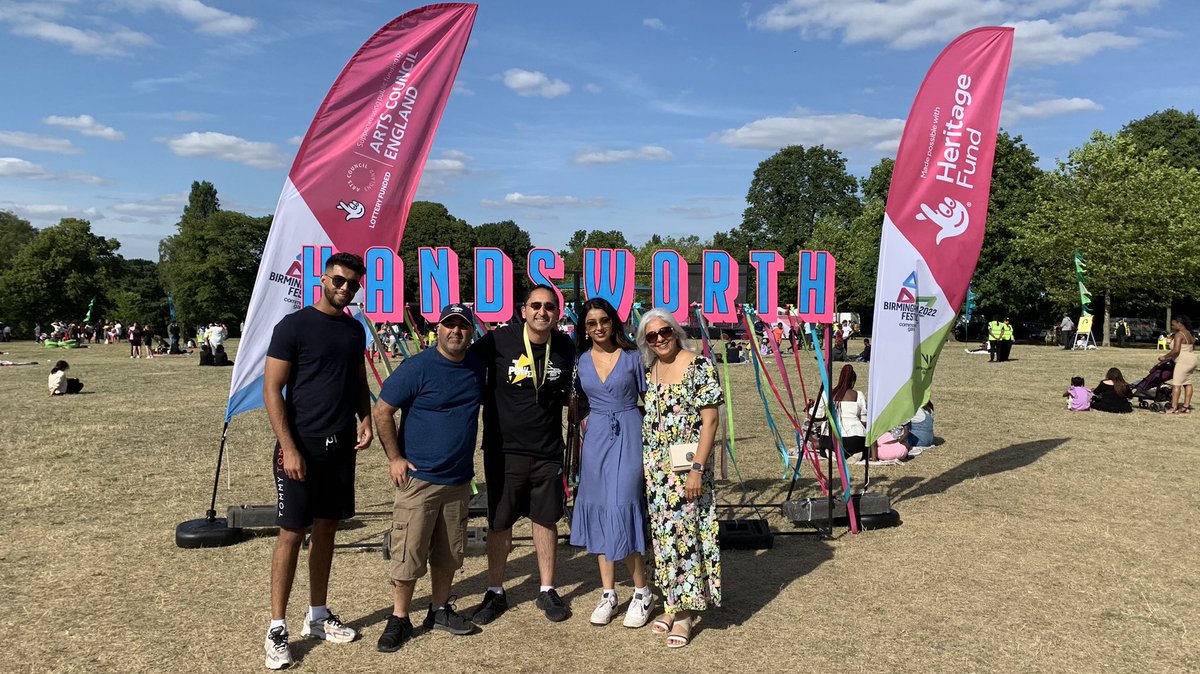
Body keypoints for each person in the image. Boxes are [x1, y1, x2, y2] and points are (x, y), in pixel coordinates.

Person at [260, 252, 374, 670]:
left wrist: (365, 418)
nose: (345, 289)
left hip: (340, 446)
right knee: (292, 533)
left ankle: (318, 615)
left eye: (352, 285)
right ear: (323, 279)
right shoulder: (294, 326)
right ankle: (276, 628)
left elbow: (358, 379)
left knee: (327, 529)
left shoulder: (352, 329)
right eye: (339, 281)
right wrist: (288, 447)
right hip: (301, 448)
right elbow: (273, 390)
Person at [371, 303, 484, 652]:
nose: (456, 332)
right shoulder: (417, 367)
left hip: (458, 480)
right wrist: (395, 458)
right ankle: (400, 617)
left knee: (450, 553)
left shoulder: (476, 366)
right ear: (438, 329)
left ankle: (439, 609)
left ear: (471, 332)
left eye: (463, 326)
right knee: (409, 552)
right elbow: (383, 411)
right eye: (449, 325)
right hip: (419, 480)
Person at [469, 284, 576, 624]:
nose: (542, 312)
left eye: (549, 307)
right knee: (500, 523)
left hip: (547, 449)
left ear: (557, 313)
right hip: (504, 450)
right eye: (535, 306)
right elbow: (463, 362)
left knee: (546, 519)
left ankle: (546, 588)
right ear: (523, 310)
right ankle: (495, 590)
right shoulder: (500, 340)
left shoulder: (565, 345)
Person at [637, 308, 722, 648]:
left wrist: (698, 469)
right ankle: (672, 603)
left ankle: (687, 614)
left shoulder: (697, 365)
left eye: (664, 332)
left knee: (687, 539)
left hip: (688, 470)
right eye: (651, 336)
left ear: (675, 331)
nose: (659, 339)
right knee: (664, 540)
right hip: (656, 472)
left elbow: (711, 421)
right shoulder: (651, 369)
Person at [569, 298, 654, 628]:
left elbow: (652, 397)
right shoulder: (581, 360)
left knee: (622, 505)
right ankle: (608, 592)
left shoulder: (633, 357)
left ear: (614, 323)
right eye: (591, 323)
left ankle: (641, 591)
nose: (598, 327)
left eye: (604, 321)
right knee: (601, 508)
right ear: (585, 329)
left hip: (630, 432)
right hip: (596, 438)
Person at [815, 364, 868, 462]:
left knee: (823, 445)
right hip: (855, 439)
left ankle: (832, 453)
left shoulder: (828, 393)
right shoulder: (858, 395)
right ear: (853, 381)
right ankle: (856, 454)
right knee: (862, 447)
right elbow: (864, 421)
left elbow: (817, 415)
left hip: (831, 439)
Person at [1160, 315, 1195, 414]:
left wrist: (1164, 357)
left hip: (1183, 361)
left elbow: (1176, 350)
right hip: (1192, 359)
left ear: (1179, 324)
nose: (1172, 327)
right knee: (1187, 383)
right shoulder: (1190, 334)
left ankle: (1173, 407)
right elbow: (1192, 348)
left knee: (1177, 384)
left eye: (1173, 325)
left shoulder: (1179, 335)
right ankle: (1186, 406)